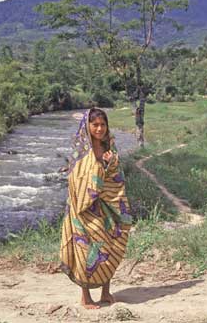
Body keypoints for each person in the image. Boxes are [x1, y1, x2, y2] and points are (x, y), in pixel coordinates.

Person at [60, 107, 132, 309]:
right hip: (85, 210)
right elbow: (75, 179)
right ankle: (86, 297)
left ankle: (106, 292)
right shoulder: (81, 151)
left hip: (108, 206)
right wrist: (91, 188)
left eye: (103, 124)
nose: (100, 129)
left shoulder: (110, 146)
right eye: (95, 125)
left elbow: (117, 175)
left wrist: (111, 163)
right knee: (86, 250)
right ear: (87, 126)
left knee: (110, 246)